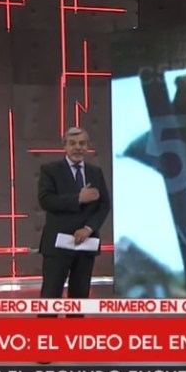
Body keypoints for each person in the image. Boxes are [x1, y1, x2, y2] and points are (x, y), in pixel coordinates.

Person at [37, 127, 110, 310]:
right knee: (50, 298)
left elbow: (104, 205)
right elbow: (46, 200)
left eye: (82, 143)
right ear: (65, 147)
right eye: (73, 143)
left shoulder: (95, 172)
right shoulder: (50, 170)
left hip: (86, 246)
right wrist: (78, 198)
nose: (78, 147)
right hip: (58, 246)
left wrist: (88, 229)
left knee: (80, 299)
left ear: (88, 146)